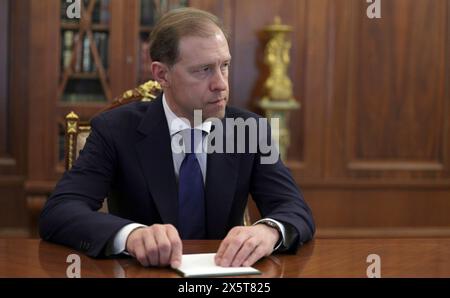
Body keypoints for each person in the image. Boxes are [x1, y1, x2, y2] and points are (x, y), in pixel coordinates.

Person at [39, 7, 315, 269]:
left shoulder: (248, 130)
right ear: (162, 74)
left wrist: (269, 231)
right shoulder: (115, 130)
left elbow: (294, 209)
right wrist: (131, 235)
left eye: (225, 66)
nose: (221, 83)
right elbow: (60, 211)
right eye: (203, 69)